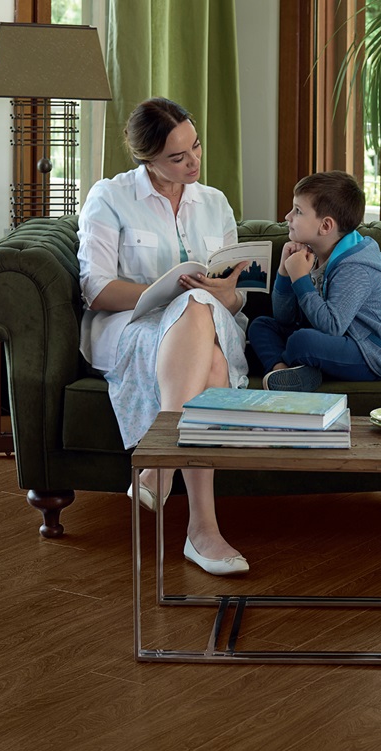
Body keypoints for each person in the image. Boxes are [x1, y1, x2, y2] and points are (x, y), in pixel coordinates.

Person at [78, 97, 249, 576]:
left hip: (208, 321)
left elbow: (236, 299)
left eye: (196, 146)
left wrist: (227, 294)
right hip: (133, 324)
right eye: (177, 157)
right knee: (210, 358)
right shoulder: (110, 197)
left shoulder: (214, 203)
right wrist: (171, 291)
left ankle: (158, 464)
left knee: (198, 309)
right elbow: (96, 289)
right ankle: (203, 530)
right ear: (147, 158)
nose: (193, 162)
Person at [248, 170, 381, 392]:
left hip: (377, 353)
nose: (287, 216)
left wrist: (300, 278)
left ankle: (296, 366)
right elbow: (284, 318)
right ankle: (283, 371)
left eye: (298, 211)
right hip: (341, 342)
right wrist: (284, 272)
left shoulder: (355, 267)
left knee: (301, 341)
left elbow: (332, 327)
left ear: (326, 226)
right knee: (261, 325)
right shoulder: (311, 253)